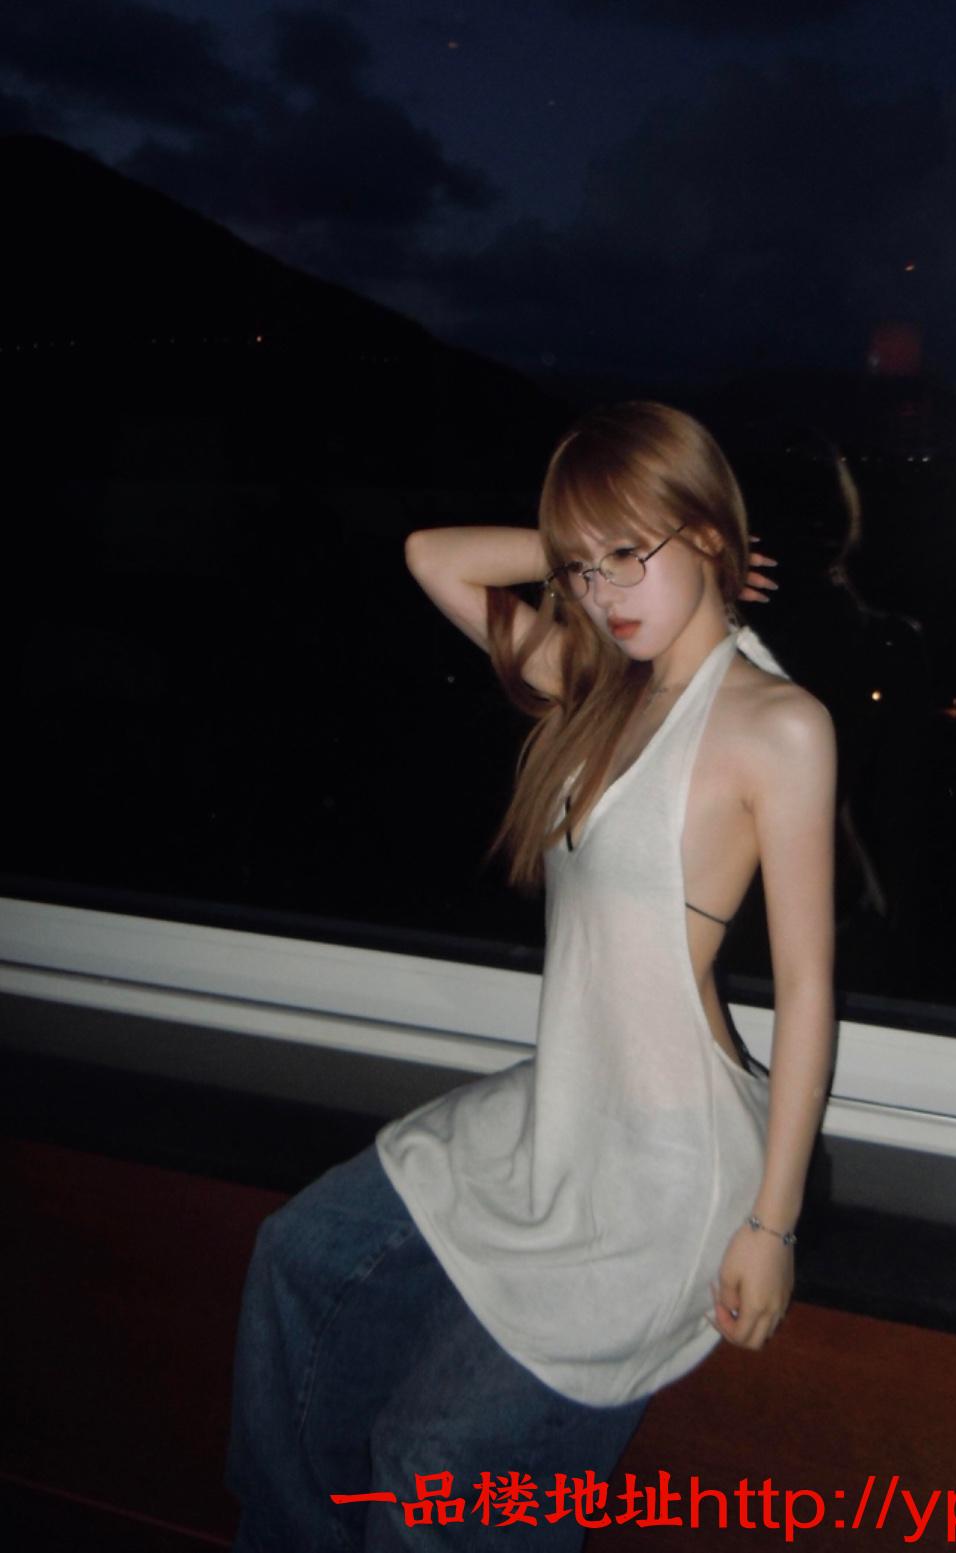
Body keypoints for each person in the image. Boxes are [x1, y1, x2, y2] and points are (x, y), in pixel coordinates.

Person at [225, 400, 837, 1551]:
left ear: (711, 533)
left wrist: (775, 1220)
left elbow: (807, 985)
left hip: (666, 1163)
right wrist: (591, 542)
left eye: (629, 554)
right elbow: (433, 557)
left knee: (431, 1470)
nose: (604, 594)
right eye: (582, 567)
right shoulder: (596, 681)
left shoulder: (777, 724)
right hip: (560, 1108)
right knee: (300, 1256)